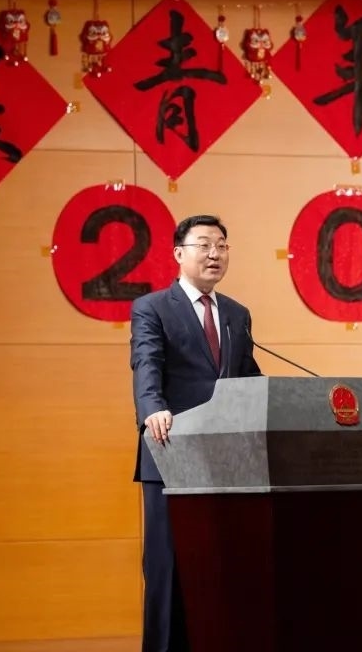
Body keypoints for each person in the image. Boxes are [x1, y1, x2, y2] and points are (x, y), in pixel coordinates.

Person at [130, 214, 262, 652]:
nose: (214, 254)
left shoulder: (237, 314)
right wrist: (153, 409)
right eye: (204, 244)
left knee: (221, 570)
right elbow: (146, 363)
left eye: (221, 245)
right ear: (179, 253)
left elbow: (248, 379)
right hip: (171, 450)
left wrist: (282, 404)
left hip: (226, 460)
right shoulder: (152, 308)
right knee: (168, 569)